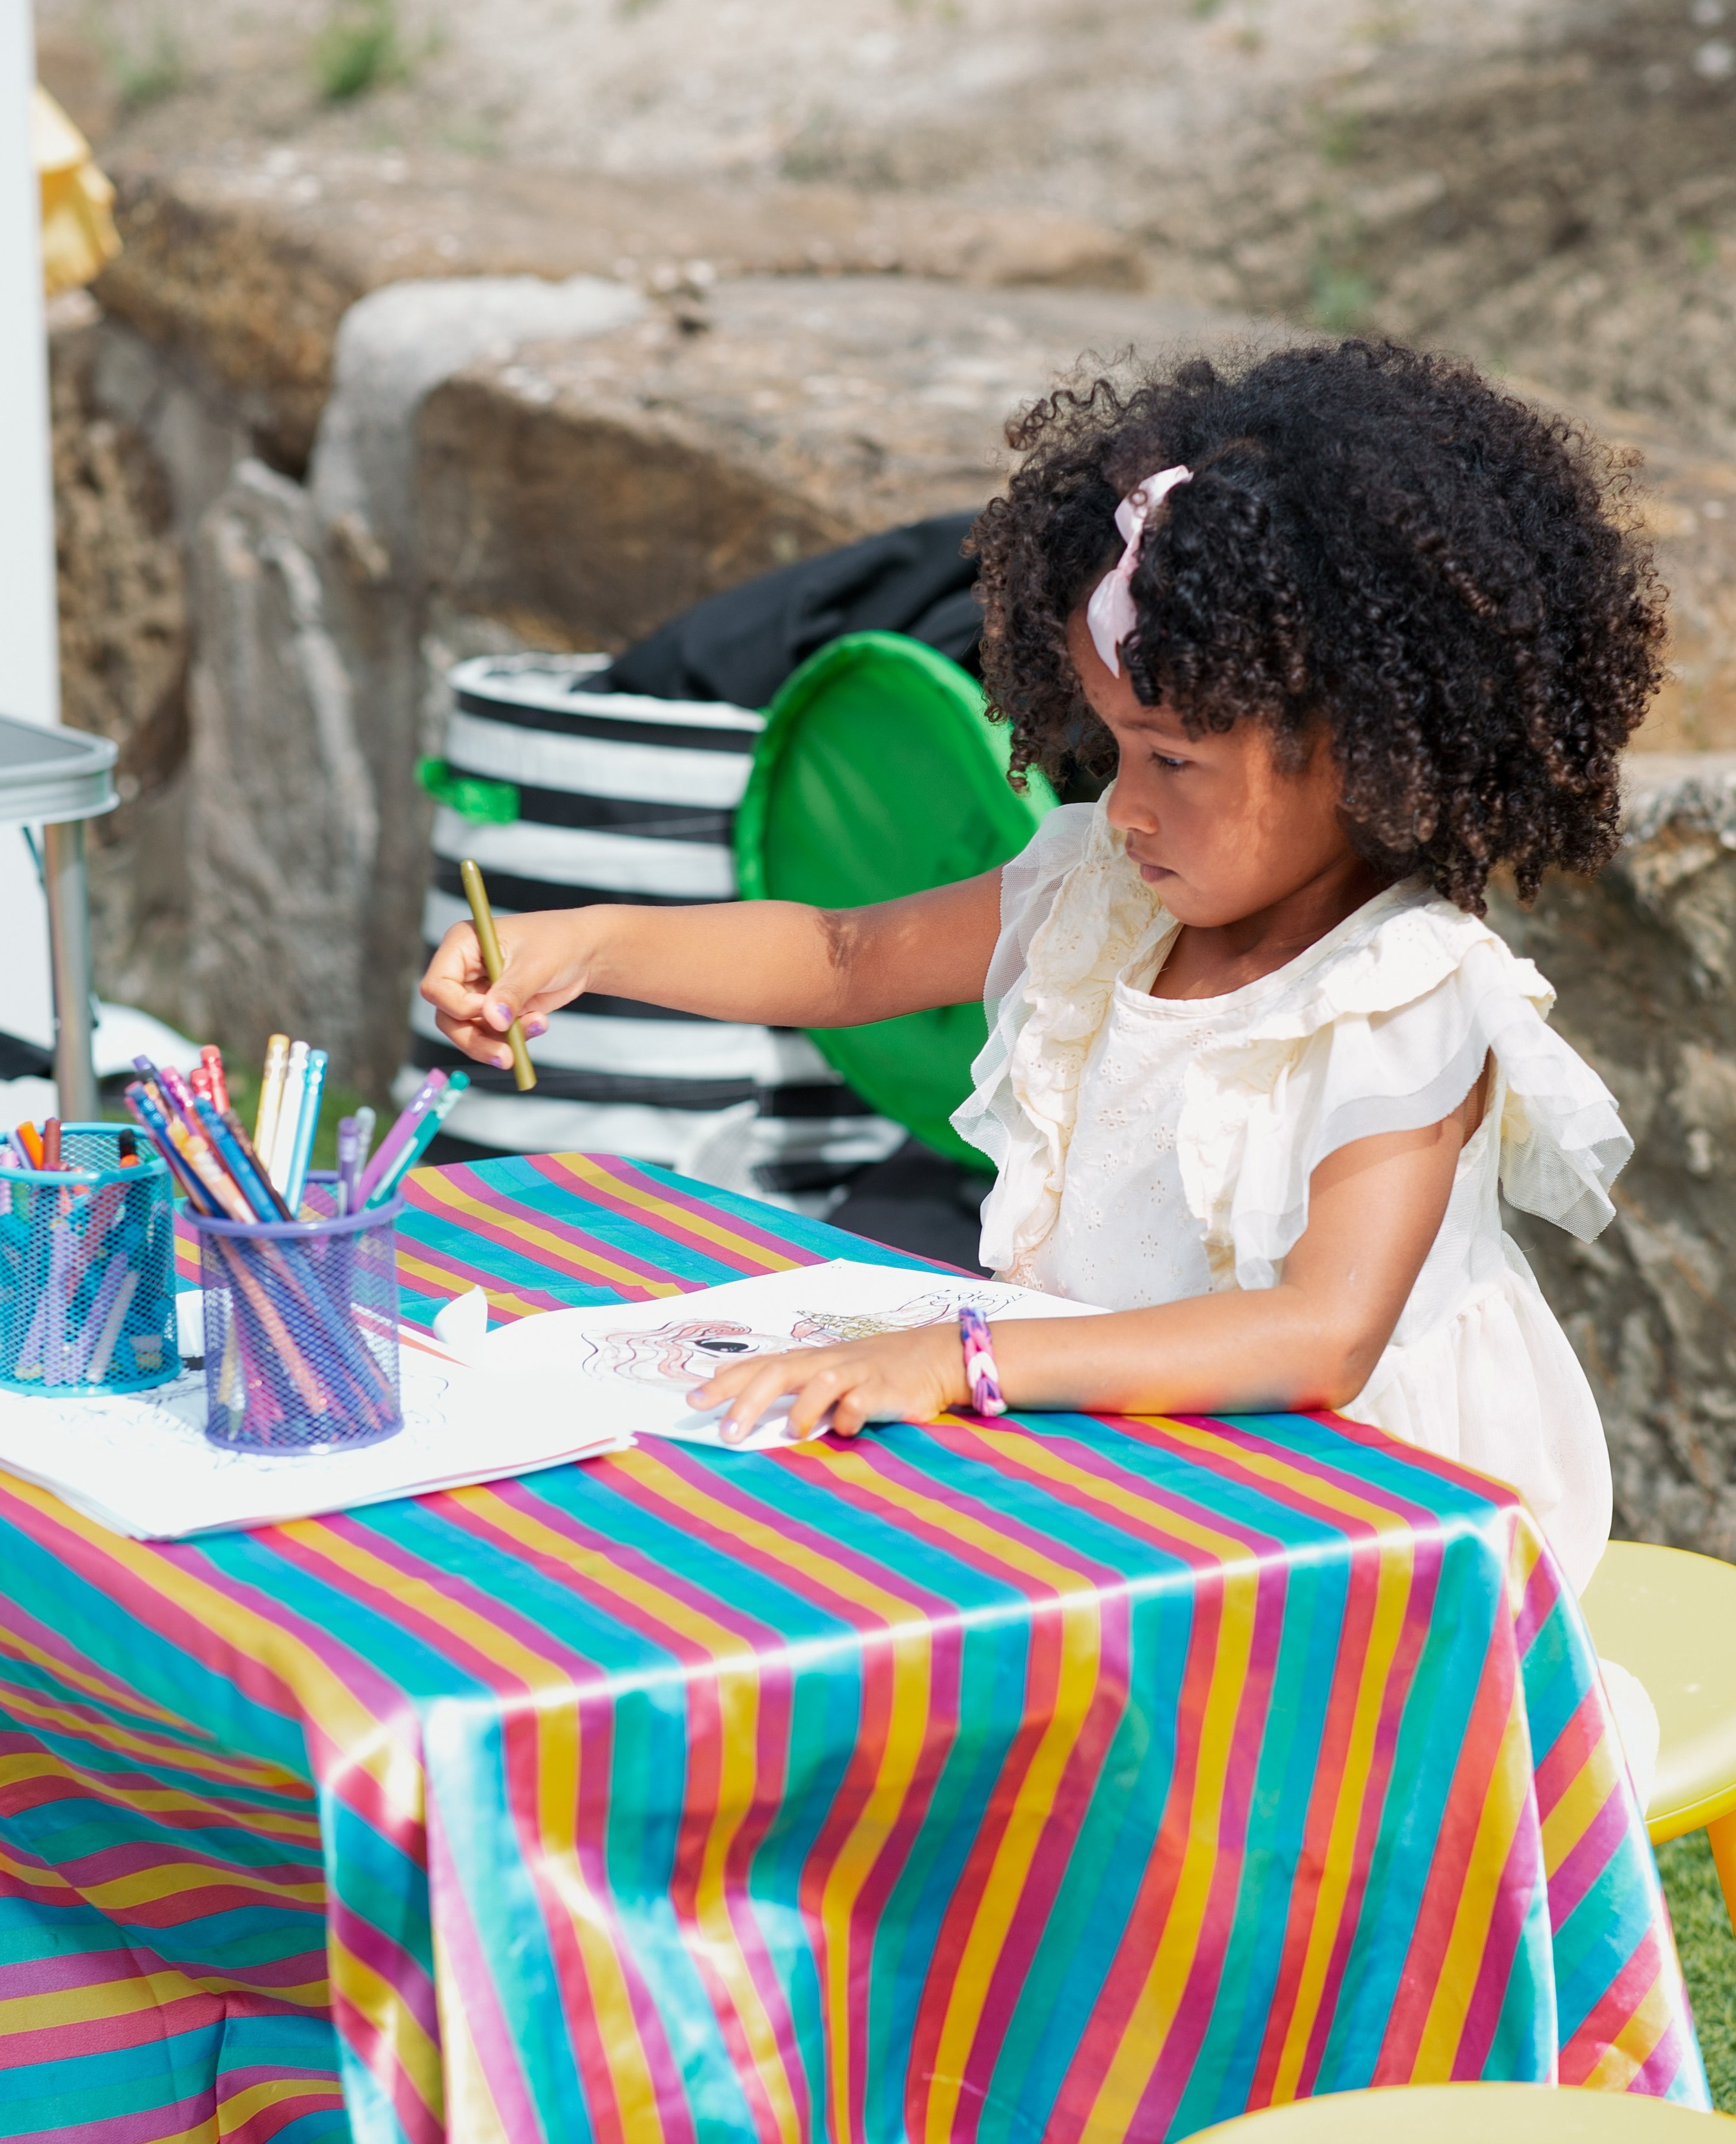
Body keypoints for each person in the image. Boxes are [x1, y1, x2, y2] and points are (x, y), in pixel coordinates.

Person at [422, 337, 1665, 1605]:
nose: (1120, 806)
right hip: (1127, 1466)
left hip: (1369, 1540)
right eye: (1109, 743)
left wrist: (962, 1358)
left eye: (1169, 759)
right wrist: (587, 941)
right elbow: (845, 957)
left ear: (1365, 749)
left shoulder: (1403, 993)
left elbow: (1321, 1334)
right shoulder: (1101, 898)